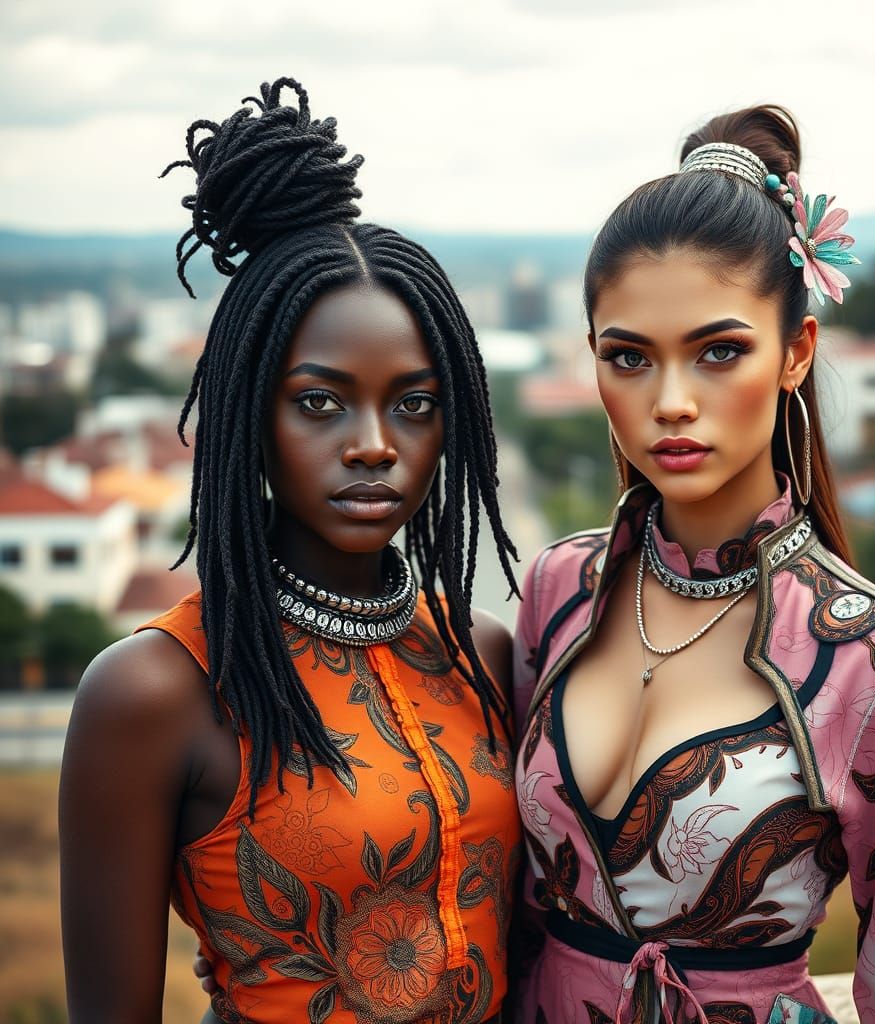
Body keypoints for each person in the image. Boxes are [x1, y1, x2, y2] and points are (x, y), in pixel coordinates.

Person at [511, 106, 875, 1023]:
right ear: (593, 362)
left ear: (796, 352)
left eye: (719, 351)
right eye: (629, 357)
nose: (670, 401)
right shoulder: (558, 592)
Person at [59, 77, 522, 1024]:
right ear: (248, 418)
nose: (373, 444)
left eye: (415, 404)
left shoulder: (485, 656)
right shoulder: (155, 693)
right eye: (320, 402)